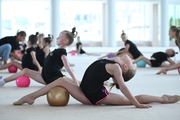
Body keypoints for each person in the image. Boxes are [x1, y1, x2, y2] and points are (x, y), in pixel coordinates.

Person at [12, 54, 180, 107]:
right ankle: (31, 96)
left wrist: (136, 104)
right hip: (85, 89)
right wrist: (121, 60)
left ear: (125, 68)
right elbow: (114, 56)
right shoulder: (114, 61)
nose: (129, 58)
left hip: (94, 96)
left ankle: (162, 99)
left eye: (130, 61)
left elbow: (122, 87)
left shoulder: (115, 68)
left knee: (128, 100)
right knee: (61, 81)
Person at [0, 27, 79, 86]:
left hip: (51, 78)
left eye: (60, 36)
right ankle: (3, 81)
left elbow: (68, 69)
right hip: (46, 74)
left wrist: (75, 82)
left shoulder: (62, 54)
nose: (57, 38)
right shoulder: (57, 51)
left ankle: (82, 84)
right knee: (25, 71)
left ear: (65, 41)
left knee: (73, 81)